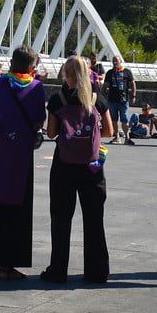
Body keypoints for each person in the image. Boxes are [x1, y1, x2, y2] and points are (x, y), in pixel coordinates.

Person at [0, 46, 47, 281]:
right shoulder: (35, 87)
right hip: (18, 154)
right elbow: (38, 119)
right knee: (16, 207)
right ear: (31, 65)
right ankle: (8, 264)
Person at [41, 55, 113, 284]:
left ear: (66, 74)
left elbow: (51, 133)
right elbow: (110, 131)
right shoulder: (96, 98)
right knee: (94, 219)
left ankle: (58, 270)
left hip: (64, 166)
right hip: (92, 168)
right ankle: (96, 271)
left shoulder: (57, 99)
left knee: (61, 219)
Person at [103, 54, 135, 145]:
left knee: (125, 119)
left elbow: (132, 84)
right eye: (113, 61)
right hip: (112, 99)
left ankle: (127, 137)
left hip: (123, 100)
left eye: (116, 61)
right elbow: (105, 85)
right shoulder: (109, 73)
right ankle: (117, 137)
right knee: (114, 119)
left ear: (120, 61)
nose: (114, 63)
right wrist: (102, 96)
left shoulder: (126, 72)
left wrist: (133, 95)